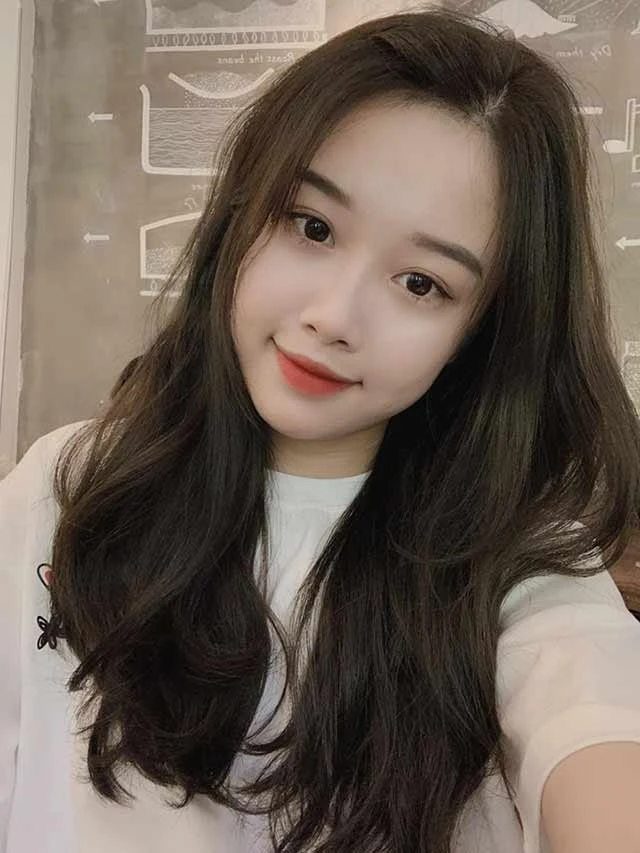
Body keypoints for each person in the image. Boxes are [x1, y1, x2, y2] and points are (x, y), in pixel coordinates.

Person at [2, 7, 640, 853]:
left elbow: (593, 725)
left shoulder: (521, 562)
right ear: (244, 214)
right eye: (313, 227)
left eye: (421, 283)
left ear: (480, 331)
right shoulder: (69, 487)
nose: (334, 317)